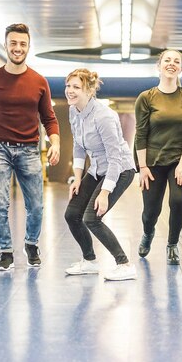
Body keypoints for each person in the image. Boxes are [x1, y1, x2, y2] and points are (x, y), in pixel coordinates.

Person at [0, 23, 60, 271]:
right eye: (13, 43)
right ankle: (6, 251)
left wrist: (56, 142)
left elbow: (49, 117)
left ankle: (31, 244)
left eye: (22, 44)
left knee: (36, 205)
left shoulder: (39, 81)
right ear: (6, 45)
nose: (17, 48)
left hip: (30, 149)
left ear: (28, 47)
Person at [63, 68, 137, 281]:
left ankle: (124, 264)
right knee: (71, 215)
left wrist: (104, 193)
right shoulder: (73, 111)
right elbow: (78, 145)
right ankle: (89, 261)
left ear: (89, 91)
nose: (70, 91)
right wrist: (77, 177)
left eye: (76, 87)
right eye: (68, 86)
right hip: (96, 169)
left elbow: (114, 159)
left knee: (92, 218)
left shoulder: (104, 116)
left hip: (120, 170)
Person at [134, 49, 182, 265]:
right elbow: (141, 133)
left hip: (181, 158)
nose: (172, 64)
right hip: (152, 161)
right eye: (167, 60)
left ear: (181, 67)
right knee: (150, 211)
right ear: (159, 65)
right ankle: (148, 232)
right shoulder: (146, 98)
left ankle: (172, 244)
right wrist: (142, 167)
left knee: (178, 200)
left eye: (176, 61)